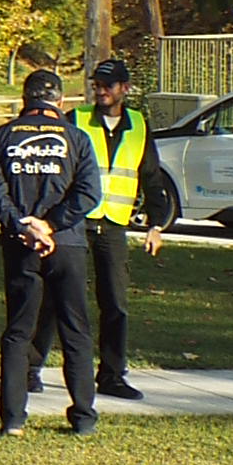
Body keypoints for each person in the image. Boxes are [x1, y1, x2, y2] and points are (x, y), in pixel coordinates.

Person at [26, 57, 170, 401]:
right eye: (97, 85)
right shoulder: (75, 119)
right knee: (52, 297)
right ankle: (31, 367)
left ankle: (112, 374)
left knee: (115, 302)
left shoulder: (138, 125)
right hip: (73, 223)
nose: (101, 90)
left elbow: (150, 175)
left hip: (114, 224)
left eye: (108, 85)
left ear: (125, 89)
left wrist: (155, 224)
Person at [0, 67, 105, 437]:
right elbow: (88, 193)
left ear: (25, 100)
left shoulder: (2, 136)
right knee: (75, 330)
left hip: (20, 246)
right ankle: (83, 417)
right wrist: (51, 224)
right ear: (60, 102)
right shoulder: (77, 139)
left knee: (19, 331)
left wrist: (24, 224)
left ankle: (13, 419)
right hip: (66, 244)